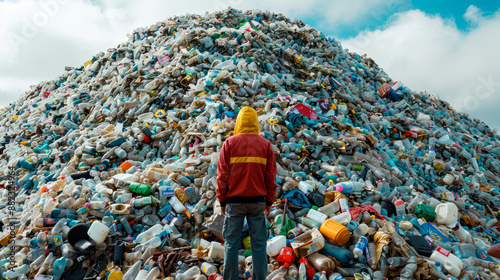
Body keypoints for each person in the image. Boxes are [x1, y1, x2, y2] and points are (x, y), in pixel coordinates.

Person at [216, 106, 277, 280]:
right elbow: (271, 177)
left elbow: (222, 176)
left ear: (239, 122)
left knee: (231, 244)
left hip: (234, 203)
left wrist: (222, 201)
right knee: (259, 244)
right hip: (257, 202)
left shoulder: (229, 143)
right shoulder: (265, 145)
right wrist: (269, 202)